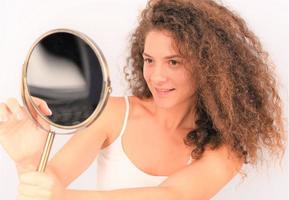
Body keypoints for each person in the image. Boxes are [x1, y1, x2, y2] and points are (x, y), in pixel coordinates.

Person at [0, 0, 285, 199]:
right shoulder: (114, 115)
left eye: (174, 62)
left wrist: (65, 198)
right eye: (150, 60)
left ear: (208, 67)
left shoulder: (225, 148)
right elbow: (48, 185)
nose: (157, 76)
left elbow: (172, 195)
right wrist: (27, 162)